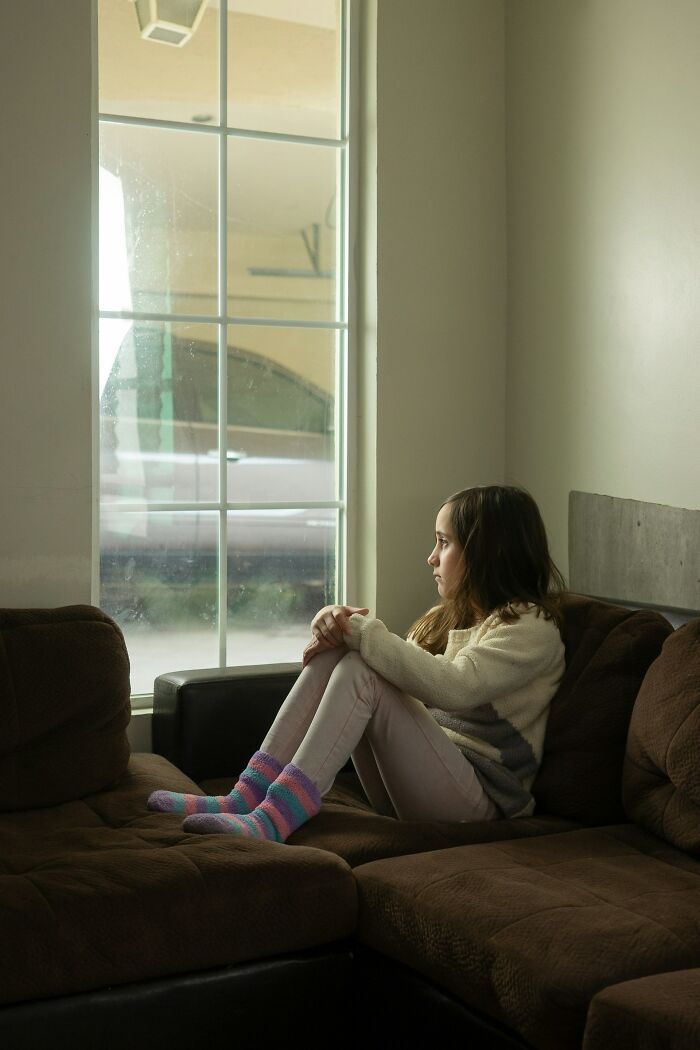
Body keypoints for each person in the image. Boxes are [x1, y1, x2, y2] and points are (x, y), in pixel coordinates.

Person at [147, 485, 567, 842]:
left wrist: (360, 633)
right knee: (350, 655)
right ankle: (246, 796)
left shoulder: (531, 628)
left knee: (363, 664)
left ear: (485, 553)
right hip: (424, 785)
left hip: (482, 805)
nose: (431, 558)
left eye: (444, 542)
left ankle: (275, 818)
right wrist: (333, 625)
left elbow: (454, 688)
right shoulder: (446, 618)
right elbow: (395, 672)